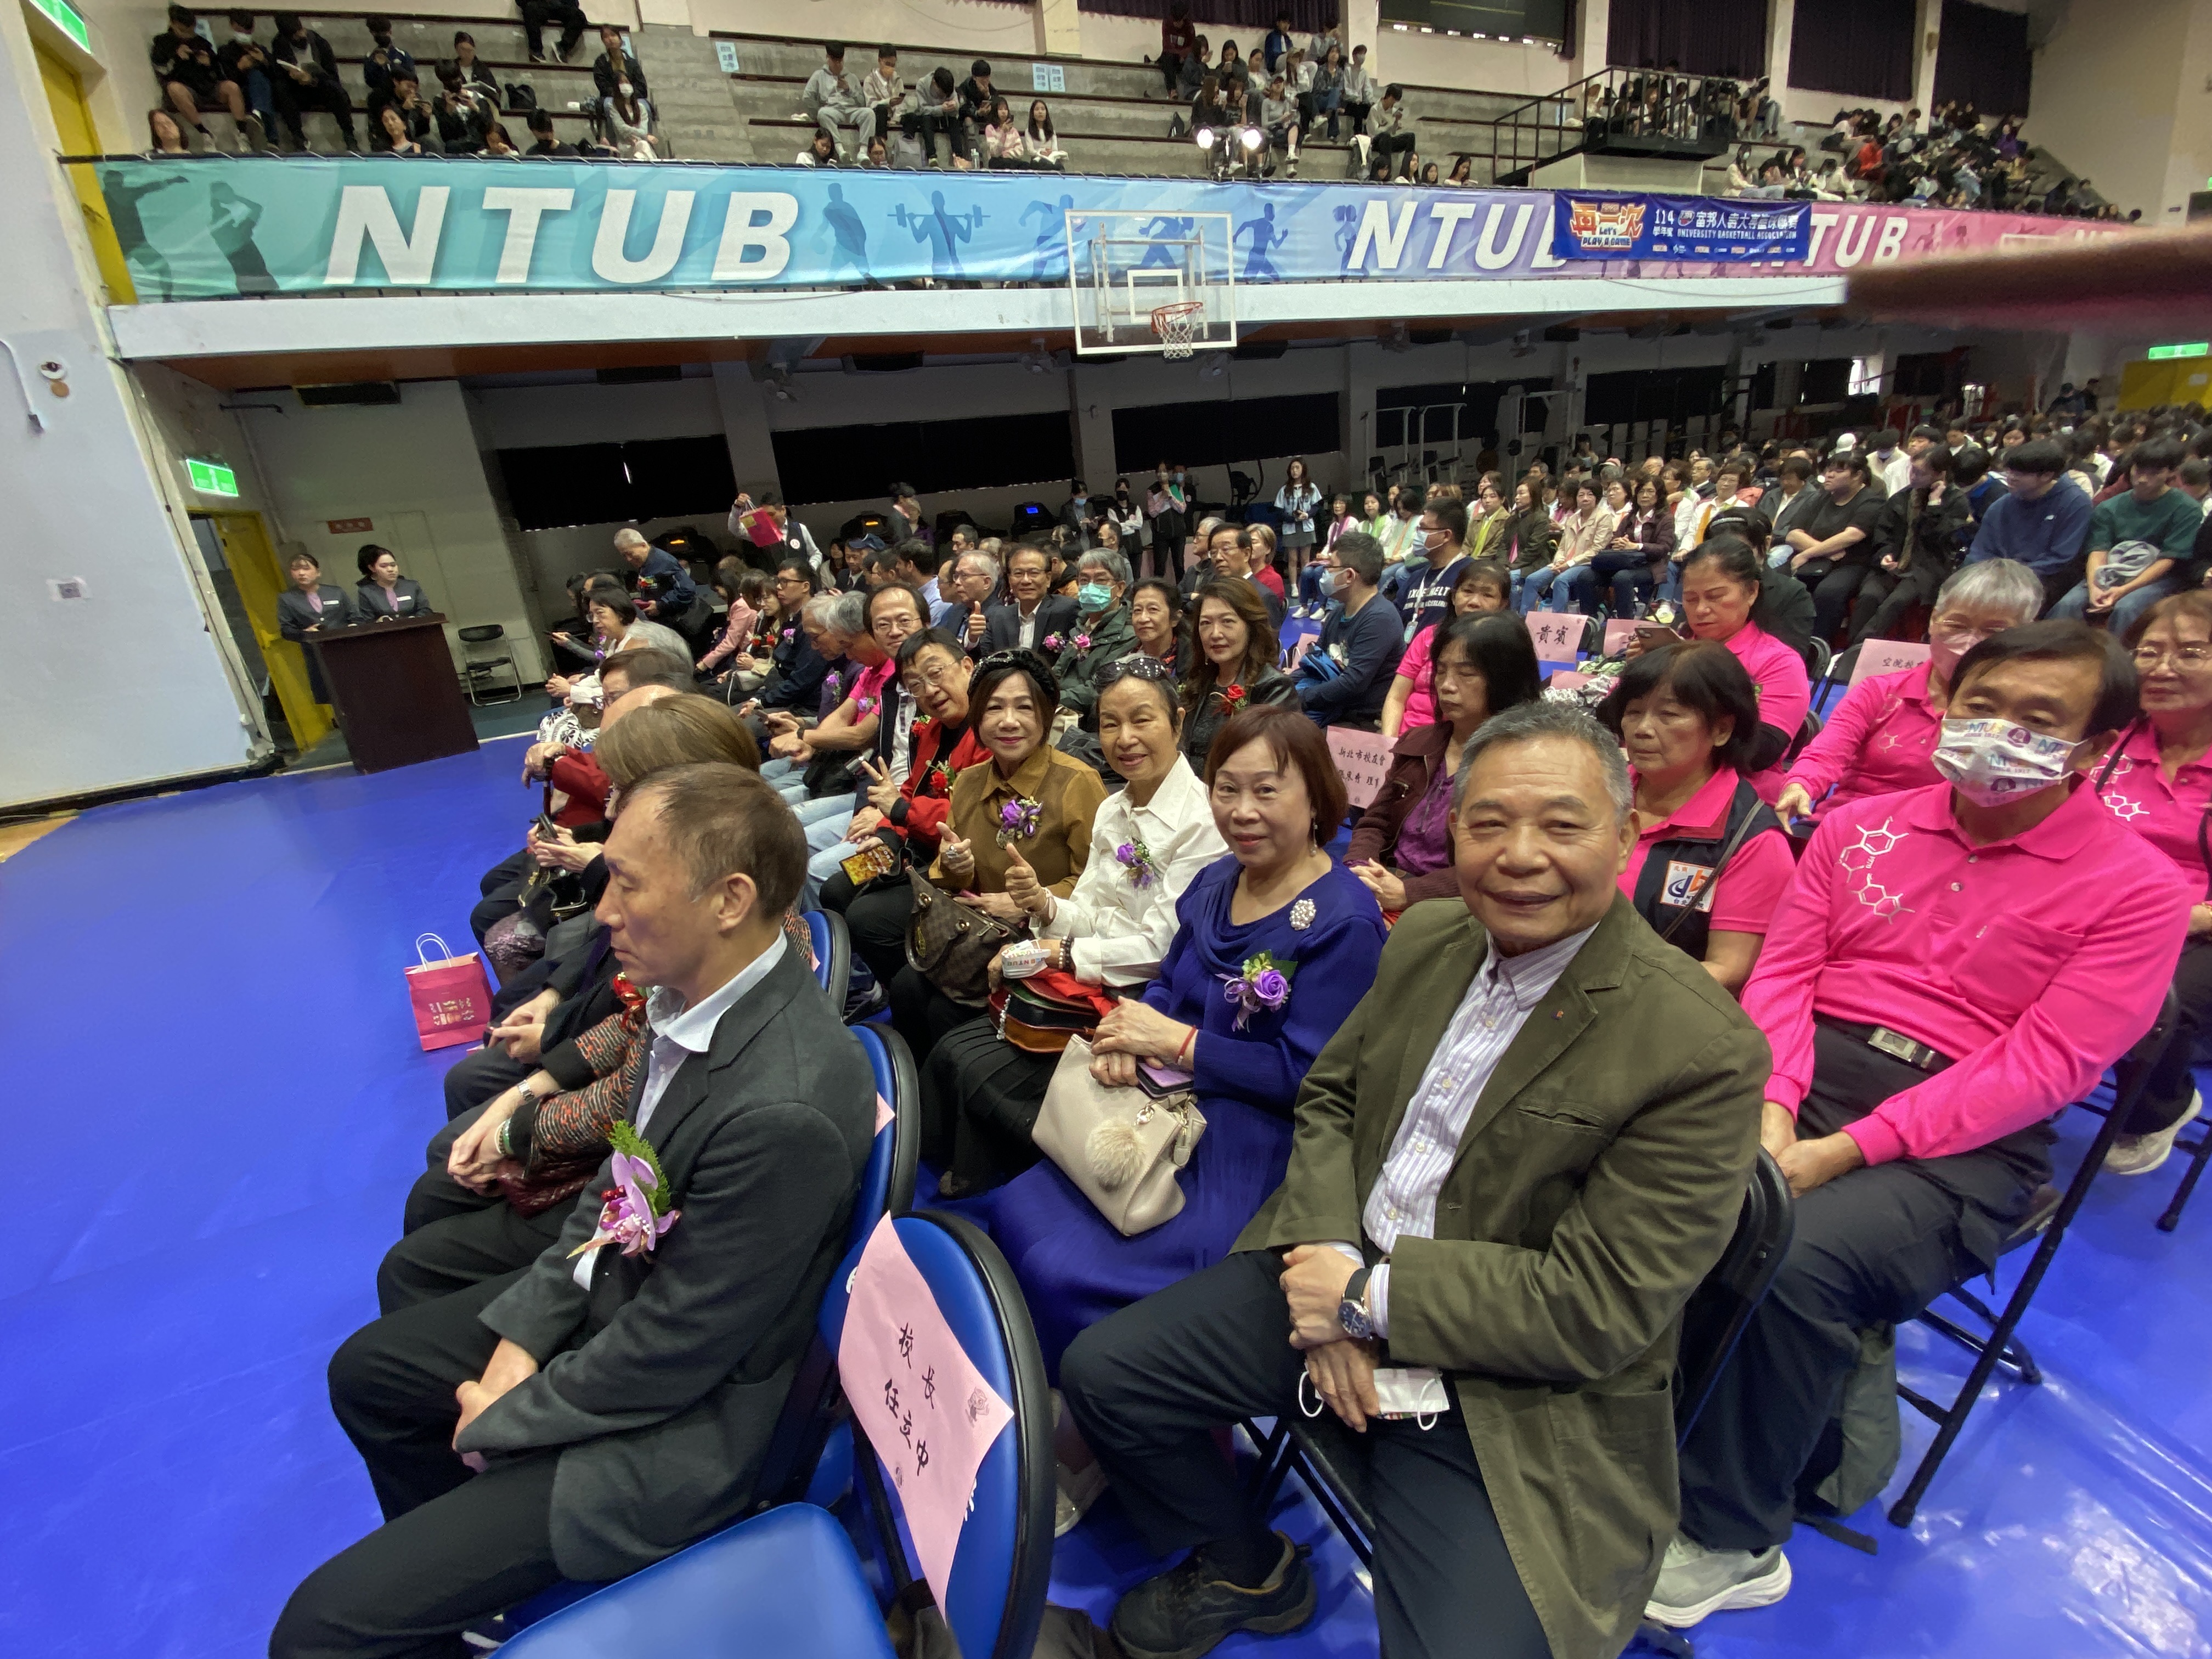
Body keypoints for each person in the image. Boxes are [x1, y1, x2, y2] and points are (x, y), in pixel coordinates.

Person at [1063, 698, 1764, 1659]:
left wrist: (1365, 1302)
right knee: (1107, 1374)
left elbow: (1596, 1303)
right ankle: (1244, 1563)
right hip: (1336, 1262)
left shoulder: (1699, 1047)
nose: (1520, 855)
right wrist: (1330, 1266)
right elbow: (1331, 1099)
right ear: (1455, 828)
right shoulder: (1433, 938)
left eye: (1562, 824)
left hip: (1509, 1384)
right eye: (1489, 822)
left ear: (1626, 832)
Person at [270, 764, 875, 1659]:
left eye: (627, 882)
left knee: (321, 1628)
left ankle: (457, 1583)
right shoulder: (692, 999)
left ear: (729, 899)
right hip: (623, 1310)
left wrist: (506, 1417)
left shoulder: (781, 1107)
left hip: (682, 1429)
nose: (603, 910)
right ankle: (463, 1594)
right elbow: (618, 1189)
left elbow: (678, 1350)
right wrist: (518, 1343)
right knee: (368, 1372)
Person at [1659, 623, 2190, 1630]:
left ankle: (1731, 1536)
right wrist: (1775, 1103)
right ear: (1945, 702)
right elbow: (1786, 974)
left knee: (1790, 1255)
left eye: (2038, 719)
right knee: (1621, 1155)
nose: (1999, 732)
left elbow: (2042, 1066)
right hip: (1799, 1073)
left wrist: (1844, 1149)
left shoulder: (2140, 890)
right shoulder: (1861, 827)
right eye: (1982, 705)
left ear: (2092, 747)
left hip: (1967, 1136)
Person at [981, 704, 1387, 1389]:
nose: (1242, 811)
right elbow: (1170, 981)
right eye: (1227, 788)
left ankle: (1100, 1407)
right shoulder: (1217, 880)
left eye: (1267, 790)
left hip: (1252, 1140)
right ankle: (1035, 1388)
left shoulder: (1344, 922)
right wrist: (1131, 1039)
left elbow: (1312, 1078)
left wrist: (1180, 1044)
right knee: (1017, 1206)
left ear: (1318, 797)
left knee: (1065, 1265)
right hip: (1165, 1100)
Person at [379, 696, 768, 1311]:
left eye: (621, 788)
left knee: (414, 1262)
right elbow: (640, 1027)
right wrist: (530, 1088)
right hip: (624, 1160)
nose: (607, 802)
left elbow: (643, 1083)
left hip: (639, 1193)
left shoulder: (726, 936)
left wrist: (517, 1128)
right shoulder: (692, 898)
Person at [924, 656, 1228, 1194]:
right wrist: (1044, 905)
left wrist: (1054, 954)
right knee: (953, 1041)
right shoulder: (1115, 808)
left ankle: (995, 1177)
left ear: (1178, 722)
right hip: (1086, 974)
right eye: (1110, 723)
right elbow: (1085, 909)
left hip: (1141, 994)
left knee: (974, 1062)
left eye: (1142, 719)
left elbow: (1162, 948)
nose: (1125, 738)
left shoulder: (1201, 821)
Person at [887, 650, 1107, 1058]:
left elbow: (1096, 888)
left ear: (1045, 716)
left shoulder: (1078, 782)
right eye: (994, 708)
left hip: (1040, 937)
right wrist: (956, 866)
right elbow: (952, 877)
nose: (1008, 721)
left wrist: (1030, 903)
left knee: (946, 1017)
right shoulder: (970, 781)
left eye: (1024, 707)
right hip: (975, 930)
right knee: (905, 988)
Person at [1780, 559, 2044, 824]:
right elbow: (1826, 754)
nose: (1970, 643)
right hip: (1851, 822)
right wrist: (1801, 784)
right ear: (1933, 620)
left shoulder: (2028, 716)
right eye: (1957, 625)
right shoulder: (1880, 691)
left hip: (1947, 834)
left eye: (1993, 632)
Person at [1598, 642, 1795, 994]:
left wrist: (1617, 986)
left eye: (1669, 715)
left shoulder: (1752, 840)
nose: (1642, 729)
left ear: (1722, 729)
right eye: (1633, 711)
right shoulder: (1597, 793)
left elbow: (1729, 969)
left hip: (1651, 1002)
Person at [2094, 592, 2212, 1173]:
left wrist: (2185, 916)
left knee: (2156, 998)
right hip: (2096, 904)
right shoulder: (2107, 738)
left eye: (2191, 652)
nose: (2163, 668)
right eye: (2149, 652)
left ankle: (2161, 1104)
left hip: (2199, 925)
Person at [1349, 611, 1542, 916]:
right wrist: (1360, 870)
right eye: (1440, 671)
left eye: (1466, 674)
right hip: (1387, 883)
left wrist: (1409, 893)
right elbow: (1376, 822)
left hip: (1460, 907)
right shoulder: (1420, 742)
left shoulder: (1526, 764)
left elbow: (1501, 864)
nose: (1447, 686)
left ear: (1506, 679)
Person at [1634, 536, 1812, 802]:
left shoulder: (1779, 662)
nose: (1701, 610)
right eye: (1690, 599)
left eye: (1715, 596)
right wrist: (1638, 675)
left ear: (1751, 592)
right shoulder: (1670, 650)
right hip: (1652, 781)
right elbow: (1617, 721)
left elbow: (1761, 753)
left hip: (1740, 793)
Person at [2052, 438, 2203, 634]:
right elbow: (2098, 551)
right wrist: (2095, 586)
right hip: (2112, 571)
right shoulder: (2110, 507)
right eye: (2139, 471)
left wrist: (2124, 590)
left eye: (2154, 473)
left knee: (2127, 607)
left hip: (2159, 578)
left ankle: (2118, 654)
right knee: (2068, 604)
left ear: (2171, 473)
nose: (2143, 479)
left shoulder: (2187, 509)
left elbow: (2168, 559)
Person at [1849, 440, 1970, 642]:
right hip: (1894, 564)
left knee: (1895, 603)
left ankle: (1861, 647)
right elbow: (1884, 531)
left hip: (1927, 567)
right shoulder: (1902, 498)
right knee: (1869, 596)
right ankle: (1851, 649)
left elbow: (1940, 540)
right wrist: (1885, 553)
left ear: (1940, 474)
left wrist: (1934, 505)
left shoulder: (1955, 500)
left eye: (1921, 474)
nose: (1913, 477)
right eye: (1912, 471)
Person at [1379, 560, 1511, 738]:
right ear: (1454, 597)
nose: (1474, 602)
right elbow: (1396, 698)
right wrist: (1389, 743)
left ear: (1502, 605)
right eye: (1468, 591)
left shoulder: (1506, 647)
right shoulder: (1428, 637)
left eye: (1487, 595)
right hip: (1406, 739)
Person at [1182, 580, 1299, 772]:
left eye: (1227, 621)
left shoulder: (1274, 689)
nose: (1215, 633)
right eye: (1206, 623)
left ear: (1250, 626)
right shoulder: (1199, 682)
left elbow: (1269, 765)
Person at [1966, 438, 2092, 611]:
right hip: (1999, 575)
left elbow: (2060, 558)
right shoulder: (2001, 506)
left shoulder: (2075, 502)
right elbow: (1981, 551)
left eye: (2019, 474)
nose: (2011, 478)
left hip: (2047, 578)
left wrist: (2012, 577)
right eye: (2009, 471)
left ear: (2047, 476)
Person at [1301, 532, 1401, 730]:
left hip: (1359, 720)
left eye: (1330, 566)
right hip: (1332, 709)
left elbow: (1352, 684)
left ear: (1349, 576)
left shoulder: (1380, 618)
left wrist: (1301, 697)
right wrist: (1285, 687)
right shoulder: (1339, 611)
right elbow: (1316, 660)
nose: (1325, 572)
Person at [1784, 450, 1885, 640]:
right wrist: (1824, 552)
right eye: (1829, 470)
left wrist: (1808, 554)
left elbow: (1852, 535)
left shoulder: (1872, 500)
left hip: (1849, 563)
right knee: (1775, 582)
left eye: (1838, 471)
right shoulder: (1819, 497)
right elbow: (1793, 534)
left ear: (1858, 475)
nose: (1829, 475)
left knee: (1829, 592)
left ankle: (1818, 645)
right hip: (1814, 559)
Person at [1047, 550, 1138, 720]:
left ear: (1120, 588)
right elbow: (1058, 672)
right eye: (1084, 580)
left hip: (1090, 719)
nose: (1090, 587)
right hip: (1060, 708)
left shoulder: (1129, 634)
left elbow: (1100, 687)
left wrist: (1049, 700)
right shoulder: (1081, 625)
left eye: (1100, 580)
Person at [151, 5, 257, 151]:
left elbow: (219, 72)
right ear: (174, 24)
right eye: (183, 31)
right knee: (174, 88)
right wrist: (176, 57)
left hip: (208, 85)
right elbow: (161, 69)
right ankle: (204, 133)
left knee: (231, 87)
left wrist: (209, 64)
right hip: (185, 87)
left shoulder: (202, 42)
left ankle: (242, 133)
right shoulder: (163, 42)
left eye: (191, 30)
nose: (188, 35)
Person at [1520, 478, 1614, 615]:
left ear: (1597, 498)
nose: (1585, 499)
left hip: (1586, 564)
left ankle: (1559, 620)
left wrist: (1569, 564)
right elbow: (1562, 547)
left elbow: (1596, 550)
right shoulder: (1572, 519)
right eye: (1581, 495)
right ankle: (1524, 618)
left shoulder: (1604, 518)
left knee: (1561, 580)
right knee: (1532, 580)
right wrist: (1559, 560)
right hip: (1564, 562)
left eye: (1590, 495)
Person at [1593, 475, 1678, 616]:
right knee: (1586, 576)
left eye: (1650, 491)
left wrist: (1636, 546)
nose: (1645, 495)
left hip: (1652, 566)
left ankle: (1624, 621)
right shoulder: (1630, 517)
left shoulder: (1665, 518)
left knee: (1623, 578)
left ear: (1659, 495)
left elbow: (1664, 548)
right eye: (1641, 491)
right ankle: (1591, 619)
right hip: (1625, 563)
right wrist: (1618, 544)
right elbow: (1614, 540)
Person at [275, 552, 354, 704]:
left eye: (306, 568)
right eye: (296, 569)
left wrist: (352, 628)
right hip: (317, 654)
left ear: (318, 572)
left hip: (345, 649)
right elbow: (287, 630)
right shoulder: (287, 599)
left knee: (356, 690)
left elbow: (355, 616)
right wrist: (305, 633)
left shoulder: (336, 592)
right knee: (331, 695)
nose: (301, 573)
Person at [270, 13, 355, 151]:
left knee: (336, 90)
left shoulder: (319, 43)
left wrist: (312, 80)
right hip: (296, 89)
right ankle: (298, 137)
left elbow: (332, 75)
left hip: (319, 87)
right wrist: (292, 76)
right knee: (280, 89)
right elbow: (278, 73)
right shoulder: (279, 44)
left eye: (300, 32)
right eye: (295, 36)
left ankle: (349, 135)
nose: (300, 36)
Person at [983, 543, 1078, 655]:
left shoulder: (1067, 611)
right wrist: (972, 640)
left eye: (1034, 573)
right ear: (1009, 580)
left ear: (1048, 578)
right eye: (1018, 574)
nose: (1026, 581)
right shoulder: (998, 618)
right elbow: (984, 656)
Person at [804, 42, 872, 161]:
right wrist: (816, 113)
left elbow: (862, 103)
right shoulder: (819, 76)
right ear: (828, 58)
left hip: (851, 110)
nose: (838, 64)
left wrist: (849, 90)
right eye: (835, 61)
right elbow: (807, 97)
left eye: (840, 61)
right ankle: (841, 151)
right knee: (823, 113)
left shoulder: (852, 77)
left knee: (869, 113)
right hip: (832, 111)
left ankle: (863, 152)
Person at [1128, 577, 1186, 672]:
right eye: (1137, 610)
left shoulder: (1193, 663)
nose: (1143, 618)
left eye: (1153, 609)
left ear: (1175, 618)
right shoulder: (1122, 656)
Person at [354, 545, 427, 619]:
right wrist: (378, 623)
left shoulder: (412, 586)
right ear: (372, 568)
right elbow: (367, 621)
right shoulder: (366, 592)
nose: (390, 569)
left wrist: (416, 619)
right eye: (384, 566)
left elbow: (426, 610)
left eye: (393, 565)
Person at [1276, 459, 1323, 562]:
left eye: (1297, 468)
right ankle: (1293, 575)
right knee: (1292, 559)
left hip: (1307, 527)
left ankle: (1305, 574)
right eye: (1292, 468)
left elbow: (1316, 506)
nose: (1295, 471)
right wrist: (1293, 519)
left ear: (1303, 469)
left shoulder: (1311, 487)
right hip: (1290, 527)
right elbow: (1279, 511)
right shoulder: (1285, 489)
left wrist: (1307, 515)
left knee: (1305, 559)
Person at [518, 0, 586, 64]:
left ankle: (563, 48)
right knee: (531, 8)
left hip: (560, 6)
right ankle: (536, 50)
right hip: (539, 5)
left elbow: (574, 4)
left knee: (579, 16)